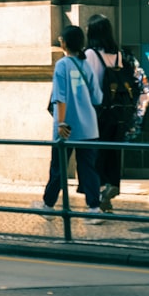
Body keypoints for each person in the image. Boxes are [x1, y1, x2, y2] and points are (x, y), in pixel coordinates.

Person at [34, 25, 105, 223]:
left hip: (66, 127)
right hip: (89, 126)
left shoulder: (62, 65)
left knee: (58, 167)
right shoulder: (86, 65)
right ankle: (94, 209)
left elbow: (60, 97)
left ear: (64, 43)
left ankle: (48, 205)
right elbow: (97, 97)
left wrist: (61, 122)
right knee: (88, 169)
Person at [84, 14, 149, 212]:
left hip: (99, 112)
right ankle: (111, 187)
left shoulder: (90, 55)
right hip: (119, 113)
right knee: (113, 152)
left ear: (93, 31)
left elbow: (90, 85)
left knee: (96, 155)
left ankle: (98, 196)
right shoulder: (118, 55)